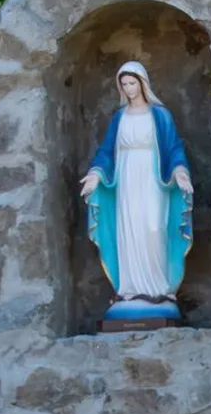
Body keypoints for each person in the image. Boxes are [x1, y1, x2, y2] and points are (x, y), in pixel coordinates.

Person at [79, 61, 194, 311]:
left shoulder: (160, 114)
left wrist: (180, 172)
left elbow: (174, 147)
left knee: (154, 228)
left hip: (153, 180)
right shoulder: (120, 117)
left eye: (132, 83)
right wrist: (95, 175)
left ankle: (161, 290)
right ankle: (129, 289)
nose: (129, 89)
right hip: (127, 178)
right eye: (124, 84)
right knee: (129, 231)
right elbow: (107, 151)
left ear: (142, 84)